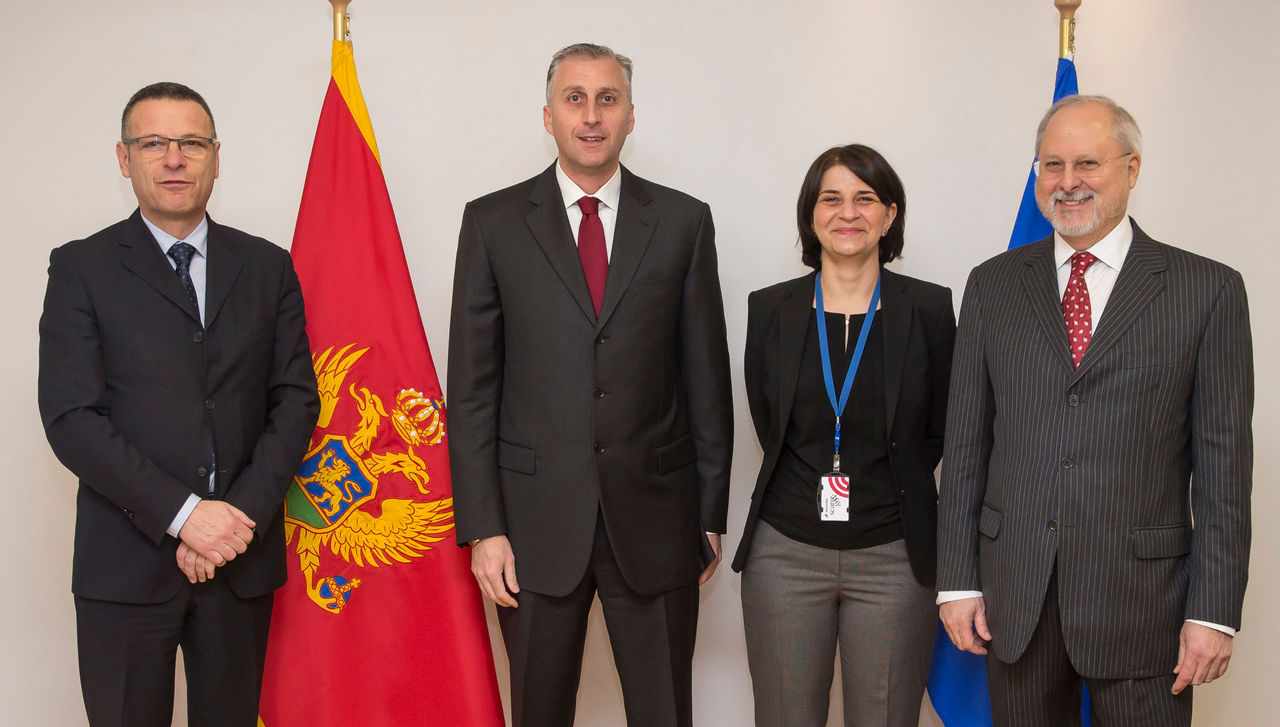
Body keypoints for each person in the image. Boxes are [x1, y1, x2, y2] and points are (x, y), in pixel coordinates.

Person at [937, 95, 1253, 725]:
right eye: (1051, 165)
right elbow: (966, 444)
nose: (1067, 182)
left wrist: (1212, 611)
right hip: (1015, 599)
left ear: (1132, 169)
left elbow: (1223, 470)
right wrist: (957, 581)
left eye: (1088, 163)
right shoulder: (992, 285)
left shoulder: (1208, 290)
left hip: (1146, 607)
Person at [447, 43, 733, 726]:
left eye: (608, 99)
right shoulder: (491, 223)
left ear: (631, 116)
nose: (592, 115)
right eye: (575, 98)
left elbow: (706, 375)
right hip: (532, 527)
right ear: (548, 116)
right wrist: (484, 526)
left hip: (661, 520)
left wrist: (711, 510)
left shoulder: (683, 221)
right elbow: (473, 388)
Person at [38, 82, 320, 727]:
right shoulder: (81, 268)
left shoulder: (268, 266)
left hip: (239, 562)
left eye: (191, 143)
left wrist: (232, 520)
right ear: (123, 157)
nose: (173, 159)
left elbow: (295, 400)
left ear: (216, 156)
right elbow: (72, 418)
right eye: (154, 143)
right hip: (125, 568)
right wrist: (185, 515)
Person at [733, 144, 955, 726]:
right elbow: (768, 419)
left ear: (891, 214)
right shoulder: (771, 309)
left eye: (866, 198)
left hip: (894, 556)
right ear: (811, 214)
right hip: (785, 553)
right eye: (831, 198)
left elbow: (938, 429)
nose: (848, 212)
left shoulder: (930, 309)